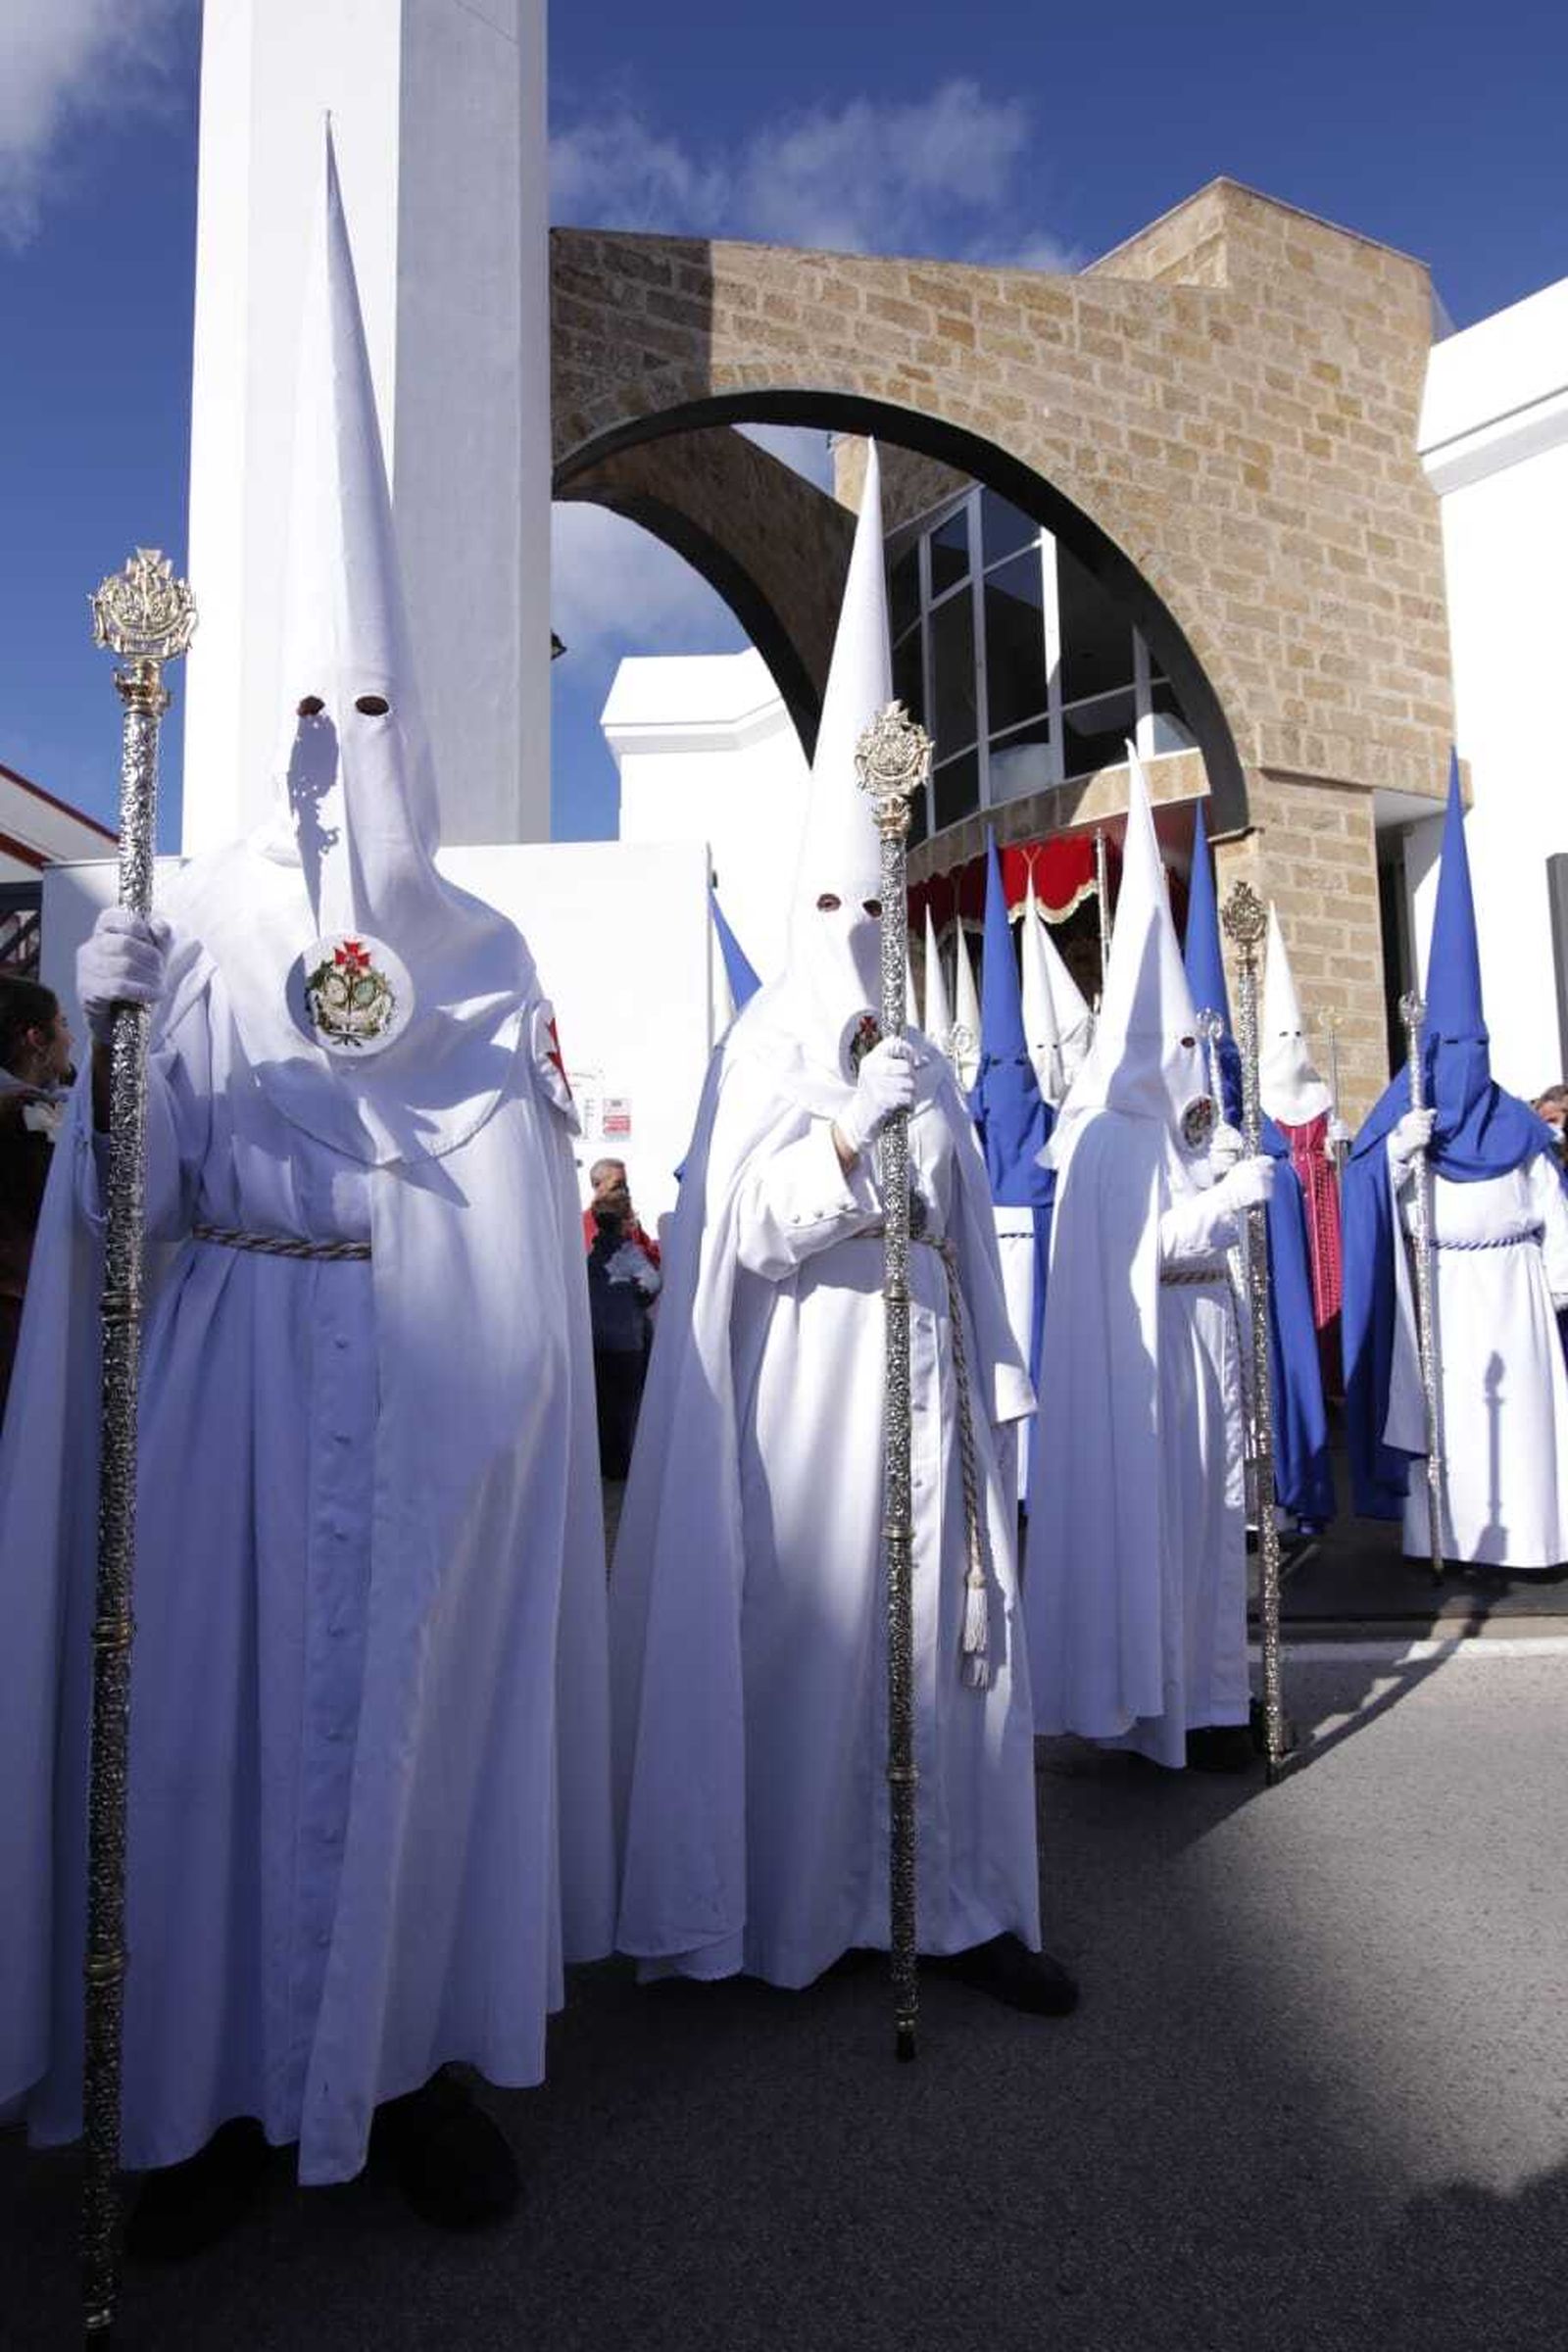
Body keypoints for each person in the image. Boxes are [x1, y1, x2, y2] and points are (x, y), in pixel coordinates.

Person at [0, 137, 612, 2257]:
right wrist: (117, 1055)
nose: (342, 747)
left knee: (418, 1740)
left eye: (374, 708)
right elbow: (132, 1221)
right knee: (211, 1740)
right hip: (232, 1390)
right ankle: (195, 2098)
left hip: (427, 1395)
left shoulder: (487, 959)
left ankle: (407, 2063)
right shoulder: (185, 918)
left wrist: (502, 1389)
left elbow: (527, 1203)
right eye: (310, 710)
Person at [610, 443, 1074, 2014]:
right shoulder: (762, 1049)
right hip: (810, 1401)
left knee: (948, 1638)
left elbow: (962, 1235)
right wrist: (834, 1143)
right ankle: (803, 1911)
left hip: (930, 1383)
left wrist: (997, 1375)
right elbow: (739, 1232)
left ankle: (965, 1905)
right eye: (835, 908)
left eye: (876, 908)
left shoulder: (928, 1051)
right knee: (819, 1647)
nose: (857, 933)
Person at [1025, 752, 1276, 1772]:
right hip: (1158, 1354)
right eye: (1172, 1044)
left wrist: (1221, 1175)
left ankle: (1214, 1695)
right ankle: (1168, 1708)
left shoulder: (1177, 1130)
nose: (1187, 1059)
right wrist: (1224, 1204)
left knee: (1216, 1522)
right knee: (1172, 1526)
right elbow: (1148, 1248)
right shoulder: (1110, 1138)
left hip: (1208, 1337)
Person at [1344, 758, 1568, 1567]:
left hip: (1514, 1290)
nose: (1467, 1062)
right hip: (1441, 1291)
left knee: (1522, 1421)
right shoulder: (1406, 1117)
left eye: (1478, 1046)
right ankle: (1447, 1539)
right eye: (1454, 1047)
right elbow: (1367, 1198)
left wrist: (1558, 1278)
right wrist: (1396, 1160)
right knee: (1457, 1421)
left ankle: (1534, 1539)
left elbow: (1552, 1206)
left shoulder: (1518, 1127)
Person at [1182, 803, 1335, 1532]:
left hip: (1249, 1288)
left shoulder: (1259, 1136)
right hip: (1191, 1296)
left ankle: (1268, 1489)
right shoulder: (1148, 1137)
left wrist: (1249, 1168)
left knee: (1256, 1366)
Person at [1261, 903, 1348, 1376]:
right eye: (1285, 1034)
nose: (1293, 1042)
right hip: (1286, 1202)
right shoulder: (1263, 1095)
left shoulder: (1319, 1091)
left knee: (1329, 1278)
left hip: (1323, 1201)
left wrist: (1338, 1142)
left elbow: (1337, 1144)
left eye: (1299, 1034)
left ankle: (1333, 1371)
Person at [0, 977, 74, 1422]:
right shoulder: (22, 1114)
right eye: (62, 1024)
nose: (70, 1037)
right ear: (35, 1039)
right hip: (12, 1302)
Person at [587, 1176, 661, 1478]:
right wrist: (636, 1301)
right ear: (624, 1222)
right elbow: (651, 1283)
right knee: (626, 1407)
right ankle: (620, 1466)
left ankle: (602, 1462)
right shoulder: (629, 1254)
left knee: (602, 1405)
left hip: (596, 1340)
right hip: (626, 1341)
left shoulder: (590, 1255)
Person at [582, 1156, 661, 1270]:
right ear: (597, 1185)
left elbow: (654, 1257)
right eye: (617, 1186)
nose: (624, 1191)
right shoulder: (584, 1224)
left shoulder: (631, 1220)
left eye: (625, 1185)